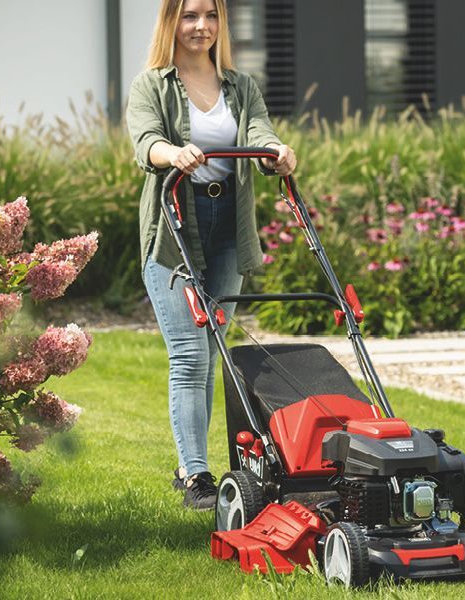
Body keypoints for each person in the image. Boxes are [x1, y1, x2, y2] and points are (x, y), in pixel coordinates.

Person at [127, 0, 297, 510]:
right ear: (171, 22)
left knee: (212, 354)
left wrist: (278, 152)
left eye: (211, 16)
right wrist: (172, 153)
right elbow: (145, 141)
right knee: (189, 354)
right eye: (190, 16)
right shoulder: (152, 85)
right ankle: (196, 475)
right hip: (174, 228)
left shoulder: (239, 86)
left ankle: (192, 465)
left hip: (228, 230)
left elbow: (259, 132)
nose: (201, 26)